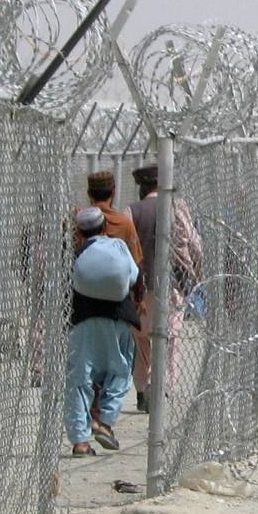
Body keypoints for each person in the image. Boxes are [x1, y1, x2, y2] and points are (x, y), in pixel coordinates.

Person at [126, 164, 203, 413]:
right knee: (170, 340)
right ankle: (165, 388)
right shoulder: (176, 209)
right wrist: (196, 275)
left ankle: (142, 389)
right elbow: (194, 244)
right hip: (172, 286)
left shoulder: (132, 211)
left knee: (142, 341)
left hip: (139, 286)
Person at [66, 207, 139, 456]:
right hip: (118, 319)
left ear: (79, 232)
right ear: (104, 227)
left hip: (84, 321)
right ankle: (105, 423)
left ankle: (80, 441)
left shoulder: (76, 254)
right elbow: (133, 276)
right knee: (121, 371)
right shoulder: (118, 247)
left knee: (79, 380)